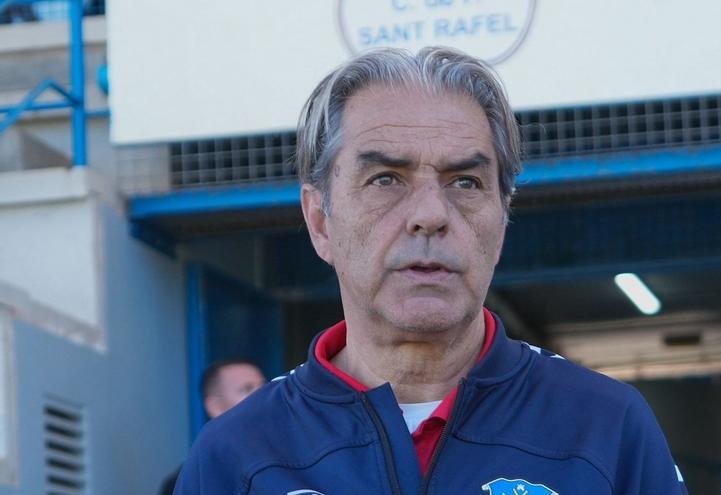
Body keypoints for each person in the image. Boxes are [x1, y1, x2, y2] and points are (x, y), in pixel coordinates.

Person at [175, 46, 689, 494]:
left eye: (465, 182)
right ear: (320, 221)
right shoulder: (237, 454)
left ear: (502, 222)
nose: (430, 214)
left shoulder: (605, 426)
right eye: (385, 179)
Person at [159, 359, 266, 495]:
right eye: (247, 389)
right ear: (215, 407)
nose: (263, 395)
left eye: (265, 387)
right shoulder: (192, 482)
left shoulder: (286, 459)